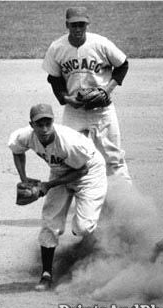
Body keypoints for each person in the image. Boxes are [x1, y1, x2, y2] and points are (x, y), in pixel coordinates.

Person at [8, 103, 107, 291]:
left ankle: (99, 242)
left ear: (53, 122)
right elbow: (17, 150)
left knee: (82, 228)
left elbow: (81, 170)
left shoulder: (68, 142)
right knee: (50, 222)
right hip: (60, 171)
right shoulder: (25, 136)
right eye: (40, 124)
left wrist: (47, 186)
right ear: (32, 125)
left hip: (89, 172)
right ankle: (46, 275)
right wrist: (24, 178)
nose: (44, 128)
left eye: (48, 123)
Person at [42, 6, 131, 183]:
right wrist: (67, 99)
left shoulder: (100, 43)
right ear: (67, 24)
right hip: (74, 112)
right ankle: (79, 197)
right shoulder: (57, 47)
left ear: (87, 25)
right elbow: (54, 78)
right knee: (68, 156)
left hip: (102, 111)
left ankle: (125, 203)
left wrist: (106, 90)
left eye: (81, 25)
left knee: (113, 159)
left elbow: (122, 65)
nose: (77, 29)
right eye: (74, 25)